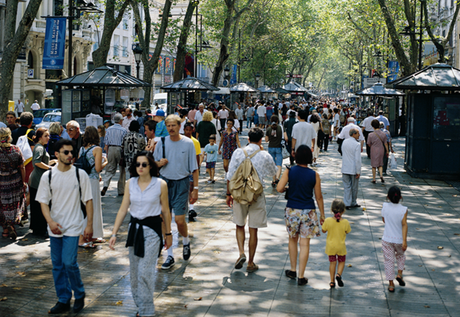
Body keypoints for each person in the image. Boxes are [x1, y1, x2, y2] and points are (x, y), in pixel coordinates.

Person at [109, 152, 172, 317]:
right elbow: (123, 208)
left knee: (146, 271)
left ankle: (147, 312)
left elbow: (165, 210)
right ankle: (141, 305)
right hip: (134, 230)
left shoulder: (160, 184)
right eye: (138, 164)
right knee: (135, 272)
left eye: (144, 164)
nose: (141, 167)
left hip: (152, 231)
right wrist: (114, 233)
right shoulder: (130, 183)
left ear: (151, 166)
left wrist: (169, 233)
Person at [36, 139, 93, 314]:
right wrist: (50, 222)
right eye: (66, 152)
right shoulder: (49, 176)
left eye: (72, 152)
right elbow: (43, 202)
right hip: (55, 227)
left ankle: (80, 293)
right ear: (57, 154)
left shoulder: (79, 174)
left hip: (74, 225)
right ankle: (63, 298)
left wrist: (89, 225)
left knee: (69, 262)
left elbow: (88, 200)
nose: (70, 155)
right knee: (57, 265)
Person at [227, 128, 277, 273]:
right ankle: (250, 262)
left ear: (248, 139)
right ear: (261, 140)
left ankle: (241, 252)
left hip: (239, 193)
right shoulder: (264, 155)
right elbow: (272, 172)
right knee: (253, 229)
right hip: (256, 194)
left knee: (239, 224)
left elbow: (230, 175)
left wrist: (228, 194)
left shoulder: (238, 152)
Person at [153, 115, 198, 270]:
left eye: (173, 125)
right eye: (168, 125)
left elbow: (194, 168)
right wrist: (158, 163)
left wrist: (195, 189)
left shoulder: (188, 143)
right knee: (164, 219)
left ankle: (185, 241)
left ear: (179, 126)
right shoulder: (162, 142)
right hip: (164, 182)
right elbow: (152, 165)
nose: (171, 128)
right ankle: (170, 254)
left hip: (182, 183)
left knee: (179, 220)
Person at [276, 145, 325, 285]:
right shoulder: (314, 175)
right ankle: (301, 276)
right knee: (305, 243)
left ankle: (292, 270)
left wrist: (288, 187)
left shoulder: (289, 171)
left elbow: (279, 188)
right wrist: (322, 215)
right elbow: (319, 197)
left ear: (295, 156)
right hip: (308, 211)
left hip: (292, 210)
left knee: (292, 239)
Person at [78, 126, 108, 247]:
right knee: (94, 206)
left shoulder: (82, 149)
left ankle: (91, 235)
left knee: (85, 207)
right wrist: (105, 161)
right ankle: (86, 237)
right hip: (93, 181)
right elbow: (97, 168)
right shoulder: (97, 149)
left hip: (82, 180)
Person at [29, 128, 57, 237]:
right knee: (39, 205)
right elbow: (37, 162)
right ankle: (39, 229)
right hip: (38, 180)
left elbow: (42, 162)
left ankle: (38, 228)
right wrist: (50, 168)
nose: (48, 138)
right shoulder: (39, 148)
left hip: (39, 179)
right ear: (40, 137)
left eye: (48, 136)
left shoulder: (41, 147)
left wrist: (52, 162)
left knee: (38, 204)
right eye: (46, 136)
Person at [0, 128, 26, 240]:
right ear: (9, 137)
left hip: (1, 181)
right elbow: (22, 166)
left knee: (3, 205)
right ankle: (12, 223)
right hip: (15, 180)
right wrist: (23, 181)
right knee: (15, 203)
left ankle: (6, 230)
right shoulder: (16, 149)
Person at [381, 186, 408, 293]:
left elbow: (384, 220)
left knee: (389, 261)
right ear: (401, 197)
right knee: (401, 256)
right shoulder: (403, 210)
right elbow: (404, 224)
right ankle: (400, 273)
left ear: (387, 197)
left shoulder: (385, 206)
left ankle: (391, 284)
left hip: (387, 238)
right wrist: (404, 241)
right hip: (399, 240)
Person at [322, 199, 351, 288]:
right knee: (341, 261)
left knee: (332, 263)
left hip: (331, 247)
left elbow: (323, 230)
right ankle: (338, 274)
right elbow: (347, 231)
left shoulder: (328, 220)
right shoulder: (345, 222)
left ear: (332, 210)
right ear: (343, 211)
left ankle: (332, 281)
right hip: (341, 246)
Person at [102, 114, 127, 196]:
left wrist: (107, 151)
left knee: (109, 168)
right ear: (120, 120)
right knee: (121, 170)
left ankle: (105, 185)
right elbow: (125, 141)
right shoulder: (124, 130)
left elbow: (106, 141)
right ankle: (121, 190)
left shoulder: (109, 129)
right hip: (120, 149)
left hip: (111, 148)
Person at [183, 122, 201, 221]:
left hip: (191, 169)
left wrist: (196, 168)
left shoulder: (195, 142)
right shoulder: (180, 141)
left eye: (190, 130)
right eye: (186, 130)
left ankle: (191, 208)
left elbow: (197, 155)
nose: (188, 132)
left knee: (191, 187)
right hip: (182, 168)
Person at [341, 128, 362, 210]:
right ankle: (353, 202)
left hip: (345, 167)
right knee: (354, 187)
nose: (359, 135)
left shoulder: (344, 142)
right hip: (353, 168)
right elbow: (357, 159)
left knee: (347, 186)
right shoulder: (357, 144)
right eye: (358, 133)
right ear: (354, 134)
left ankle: (347, 202)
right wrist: (358, 171)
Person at [367, 119, 388, 183]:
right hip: (381, 149)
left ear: (372, 126)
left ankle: (374, 178)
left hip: (374, 149)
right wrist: (387, 151)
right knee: (380, 164)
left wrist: (372, 146)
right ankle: (381, 175)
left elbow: (368, 143)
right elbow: (385, 143)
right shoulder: (383, 134)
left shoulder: (370, 135)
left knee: (374, 165)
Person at [265, 116, 283, 187]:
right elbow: (286, 137)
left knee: (273, 164)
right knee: (279, 163)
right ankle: (277, 178)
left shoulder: (269, 128)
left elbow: (266, 140)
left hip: (271, 147)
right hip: (278, 147)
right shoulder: (281, 128)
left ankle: (273, 179)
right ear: (277, 121)